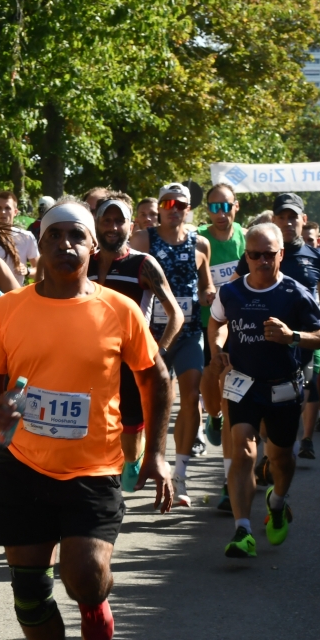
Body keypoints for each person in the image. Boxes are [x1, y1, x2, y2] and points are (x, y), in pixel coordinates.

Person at [0, 199, 169, 640]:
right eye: (54, 235)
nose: (65, 244)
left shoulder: (117, 309)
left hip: (93, 468)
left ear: (93, 246)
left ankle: (92, 598)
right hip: (23, 464)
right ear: (40, 244)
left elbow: (155, 377)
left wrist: (157, 455)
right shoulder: (9, 308)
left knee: (84, 573)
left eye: (76, 235)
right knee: (29, 590)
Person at [208, 222, 320, 559]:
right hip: (243, 384)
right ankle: (242, 530)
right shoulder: (231, 292)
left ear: (281, 255)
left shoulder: (295, 293)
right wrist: (217, 349)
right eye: (254, 254)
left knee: (281, 458)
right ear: (246, 256)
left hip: (283, 388)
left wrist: (292, 336)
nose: (262, 260)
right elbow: (216, 322)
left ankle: (276, 502)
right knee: (243, 451)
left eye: (269, 254)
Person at [92, 194, 182, 494]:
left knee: (129, 444)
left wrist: (159, 353)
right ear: (96, 224)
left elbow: (175, 314)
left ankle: (131, 463)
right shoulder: (84, 262)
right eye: (107, 220)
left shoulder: (143, 264)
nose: (112, 227)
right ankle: (102, 488)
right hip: (91, 363)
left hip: (131, 364)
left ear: (131, 227)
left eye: (119, 221)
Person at [131, 182, 212, 506]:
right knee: (149, 401)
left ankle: (180, 473)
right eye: (167, 204)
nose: (173, 210)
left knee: (190, 397)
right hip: (152, 335)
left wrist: (210, 295)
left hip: (189, 332)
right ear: (160, 207)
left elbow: (205, 287)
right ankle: (140, 459)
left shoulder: (200, 243)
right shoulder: (143, 240)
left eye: (180, 205)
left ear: (188, 209)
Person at [270, 193, 320, 461]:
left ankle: (291, 445)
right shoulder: (262, 252)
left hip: (304, 339)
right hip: (268, 337)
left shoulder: (316, 256)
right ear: (273, 220)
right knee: (268, 400)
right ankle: (272, 449)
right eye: (281, 217)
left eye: (293, 217)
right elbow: (239, 284)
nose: (287, 222)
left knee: (299, 394)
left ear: (303, 219)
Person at [198, 183, 246, 448]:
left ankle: (228, 419)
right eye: (215, 207)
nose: (221, 213)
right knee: (211, 372)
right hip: (208, 321)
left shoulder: (247, 238)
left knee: (231, 372)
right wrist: (203, 291)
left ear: (236, 206)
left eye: (226, 206)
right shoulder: (199, 239)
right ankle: (214, 415)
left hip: (239, 321)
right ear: (208, 209)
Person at [0, 187, 39, 281]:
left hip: (17, 289)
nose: (3, 212)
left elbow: (40, 271)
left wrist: (27, 271)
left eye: (7, 208)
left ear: (15, 212)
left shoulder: (26, 237)